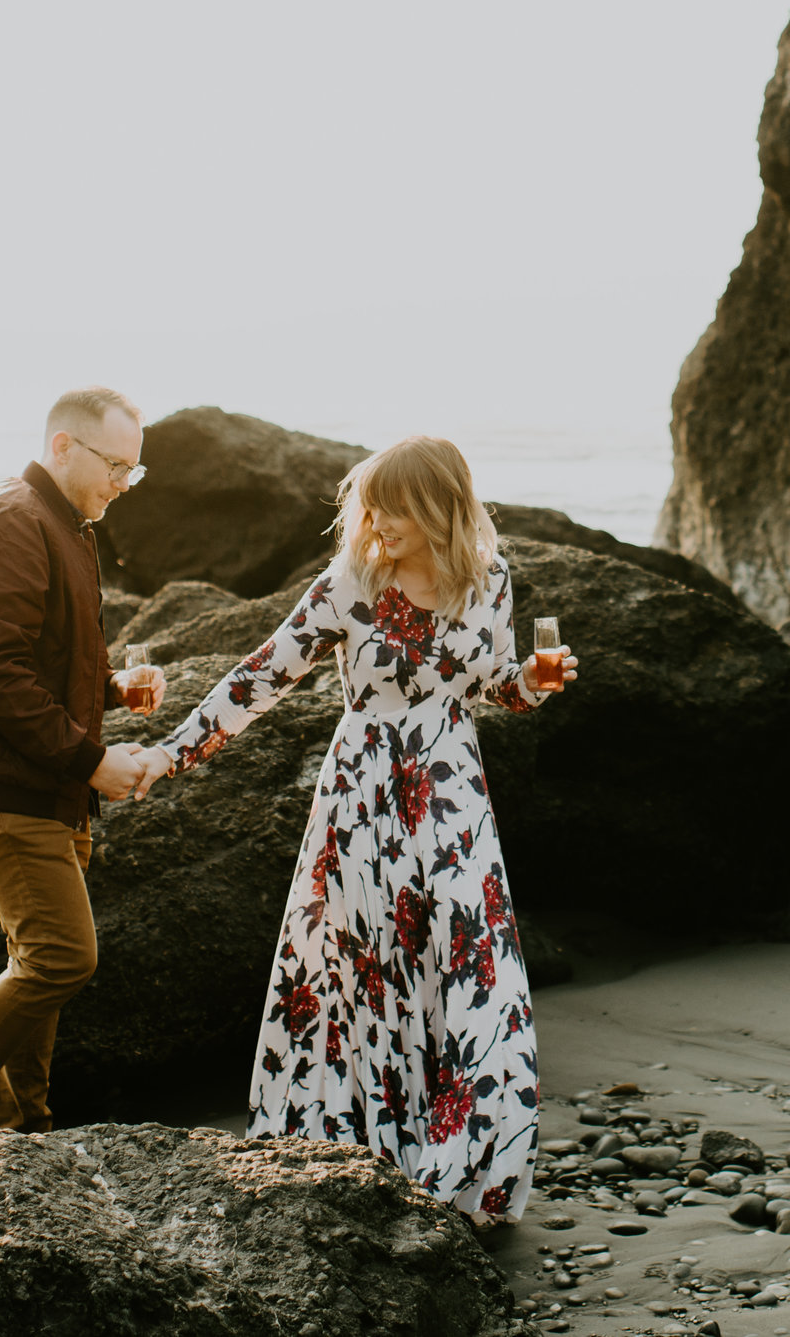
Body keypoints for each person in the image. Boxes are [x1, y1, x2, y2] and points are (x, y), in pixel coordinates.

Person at [140, 436, 576, 1220]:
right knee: (362, 978)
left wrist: (535, 684)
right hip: (362, 800)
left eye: (392, 502)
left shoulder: (491, 580)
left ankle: (466, 1173)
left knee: (478, 979)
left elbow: (499, 686)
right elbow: (261, 674)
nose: (374, 518)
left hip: (451, 804)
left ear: (440, 503)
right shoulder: (353, 582)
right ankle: (363, 1157)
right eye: (368, 502)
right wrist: (173, 753)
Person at [0, 386, 168, 1135]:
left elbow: (38, 658)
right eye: (115, 465)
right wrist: (91, 761)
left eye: (132, 472)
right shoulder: (13, 519)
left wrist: (110, 688)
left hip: (36, 777)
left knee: (37, 963)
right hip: (1, 780)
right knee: (62, 957)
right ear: (62, 447)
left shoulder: (67, 522)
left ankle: (19, 1130)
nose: (122, 483)